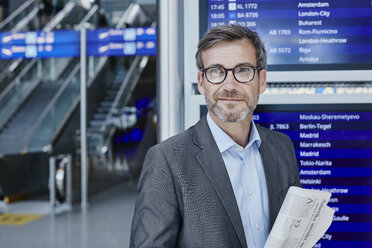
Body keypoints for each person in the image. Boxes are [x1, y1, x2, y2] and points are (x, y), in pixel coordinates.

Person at [130, 24, 301, 248]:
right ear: (202, 82)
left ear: (261, 81)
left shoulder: (282, 147)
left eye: (242, 70)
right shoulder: (166, 162)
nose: (229, 86)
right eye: (216, 71)